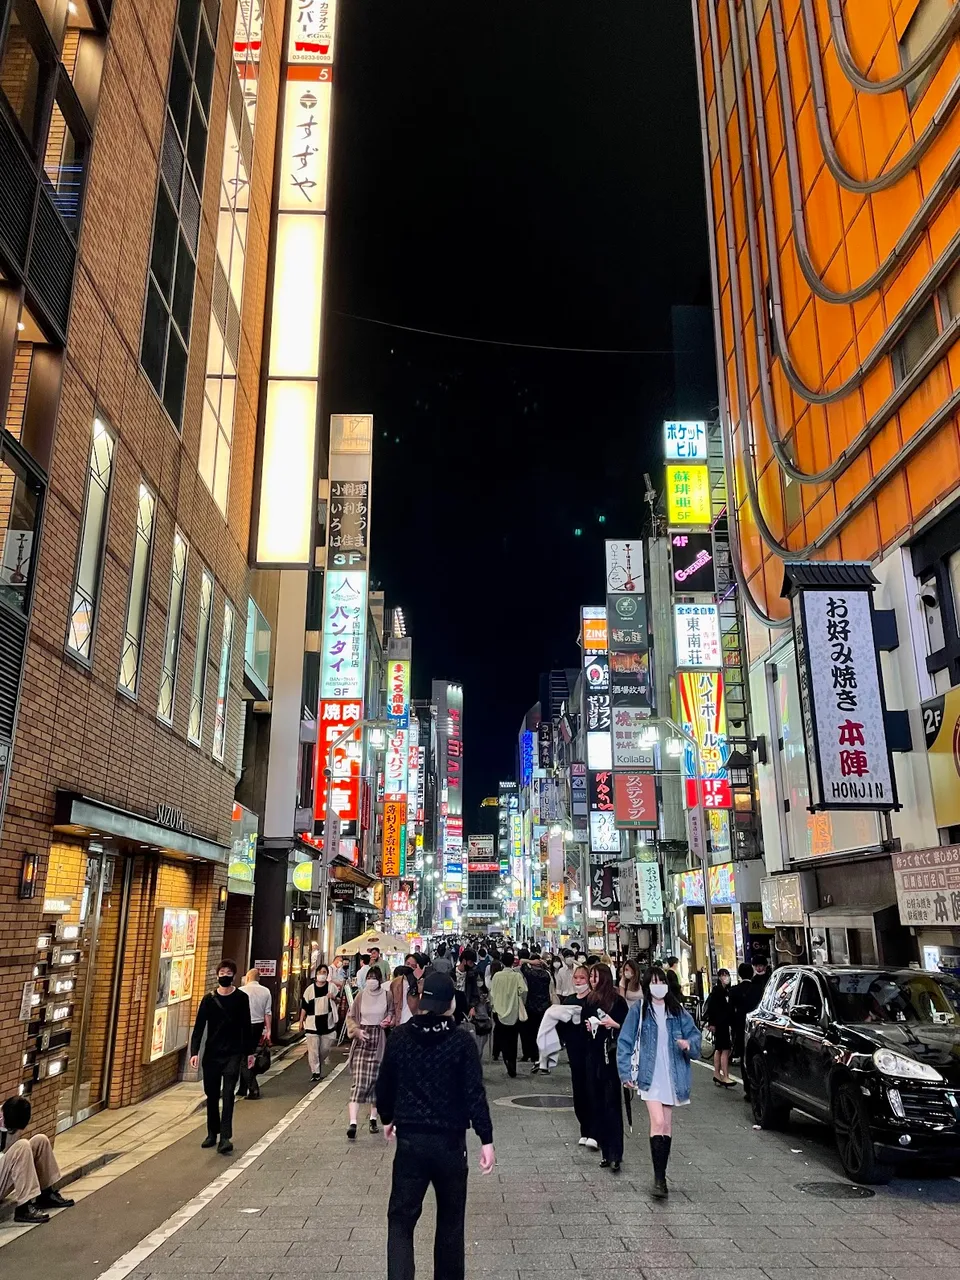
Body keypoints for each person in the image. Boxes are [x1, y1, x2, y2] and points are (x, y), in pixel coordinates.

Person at [377, 972, 495, 1280]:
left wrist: (387, 1118)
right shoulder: (461, 1040)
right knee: (451, 1223)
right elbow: (474, 1092)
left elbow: (385, 1084)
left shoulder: (401, 1037)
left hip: (411, 1141)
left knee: (401, 1219)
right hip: (450, 1144)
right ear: (450, 1003)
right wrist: (486, 1139)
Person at [617, 965, 701, 1198]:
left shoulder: (678, 1011)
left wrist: (687, 1044)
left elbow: (695, 1036)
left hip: (673, 1073)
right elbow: (625, 1042)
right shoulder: (640, 1010)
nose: (658, 985)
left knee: (666, 1124)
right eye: (653, 982)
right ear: (646, 985)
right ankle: (659, 1180)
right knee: (658, 1121)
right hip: (649, 1074)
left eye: (661, 981)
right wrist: (626, 1074)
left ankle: (661, 1176)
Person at [190, 959, 257, 1155]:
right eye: (222, 972)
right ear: (217, 975)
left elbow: (247, 1025)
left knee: (228, 1094)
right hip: (212, 1053)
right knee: (211, 1094)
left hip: (233, 1053)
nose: (224, 975)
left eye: (228, 972)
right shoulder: (208, 999)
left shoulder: (241, 998)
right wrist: (194, 1052)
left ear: (234, 976)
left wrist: (249, 1052)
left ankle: (225, 1137)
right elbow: (199, 1027)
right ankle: (212, 1132)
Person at [583, 962, 628, 1171]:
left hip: (611, 1057)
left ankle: (616, 1153)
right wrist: (590, 1026)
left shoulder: (617, 1001)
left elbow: (627, 1028)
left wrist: (613, 1025)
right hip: (594, 1057)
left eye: (595, 977)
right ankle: (605, 1151)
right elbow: (584, 1025)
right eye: (591, 977)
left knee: (612, 1106)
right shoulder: (590, 1000)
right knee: (598, 1105)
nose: (592, 981)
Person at [0, 1098, 74, 1224]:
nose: (1, 1120)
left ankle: (46, 1194)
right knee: (22, 1146)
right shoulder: (5, 1115)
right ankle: (24, 1207)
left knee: (41, 1140)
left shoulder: (10, 1117)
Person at [345, 967, 393, 1138]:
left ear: (380, 979)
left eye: (374, 977)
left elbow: (391, 1013)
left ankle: (373, 1118)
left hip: (379, 1039)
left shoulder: (387, 995)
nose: (372, 980)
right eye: (369, 977)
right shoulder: (360, 995)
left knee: (376, 1082)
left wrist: (388, 1020)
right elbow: (350, 1016)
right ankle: (353, 1122)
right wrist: (356, 1031)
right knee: (359, 1081)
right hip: (362, 1040)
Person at [560, 964, 596, 1148]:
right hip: (574, 1050)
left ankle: (594, 1131)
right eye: (576, 978)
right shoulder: (569, 1000)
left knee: (592, 1088)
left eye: (582, 978)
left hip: (592, 1049)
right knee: (579, 1089)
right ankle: (584, 1129)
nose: (579, 981)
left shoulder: (594, 999)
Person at [488, 949, 527, 1077]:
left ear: (502, 963)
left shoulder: (497, 976)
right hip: (514, 1012)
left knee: (502, 1038)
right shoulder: (517, 976)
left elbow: (492, 994)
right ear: (512, 963)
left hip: (498, 1012)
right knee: (513, 1039)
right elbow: (524, 990)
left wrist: (493, 1006)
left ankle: (505, 1059)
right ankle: (512, 1063)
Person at [299, 964, 339, 1081]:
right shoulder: (309, 990)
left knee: (325, 1049)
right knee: (313, 1050)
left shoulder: (332, 988)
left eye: (324, 972)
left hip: (328, 1023)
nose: (322, 974)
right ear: (316, 974)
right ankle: (315, 1072)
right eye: (320, 972)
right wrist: (301, 1021)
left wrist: (333, 998)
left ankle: (318, 1064)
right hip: (312, 1023)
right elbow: (304, 1007)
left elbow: (339, 1000)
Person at [238, 968, 272, 1100]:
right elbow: (267, 1012)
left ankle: (253, 1089)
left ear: (247, 978)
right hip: (258, 1025)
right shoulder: (266, 991)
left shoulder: (241, 991)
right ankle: (242, 1088)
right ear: (258, 978)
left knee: (243, 1058)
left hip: (243, 1026)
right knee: (250, 1055)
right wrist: (268, 1030)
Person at [520, 950, 555, 1070]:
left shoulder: (530, 974)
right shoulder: (547, 974)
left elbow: (520, 962)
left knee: (532, 1033)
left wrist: (530, 961)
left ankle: (535, 1057)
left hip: (531, 1007)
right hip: (545, 1007)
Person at [704, 969, 734, 1087]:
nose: (725, 977)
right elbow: (712, 1008)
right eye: (723, 975)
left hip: (722, 1023)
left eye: (727, 975)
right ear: (719, 977)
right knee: (724, 1049)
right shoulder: (718, 991)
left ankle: (717, 1074)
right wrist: (712, 1023)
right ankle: (725, 1076)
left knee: (719, 1048)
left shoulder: (726, 991)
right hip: (721, 1024)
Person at [729, 962, 756, 1065]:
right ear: (752, 973)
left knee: (742, 1046)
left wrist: (732, 1024)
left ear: (739, 974)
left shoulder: (733, 990)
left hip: (739, 1021)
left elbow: (730, 1010)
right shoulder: (758, 989)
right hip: (754, 1021)